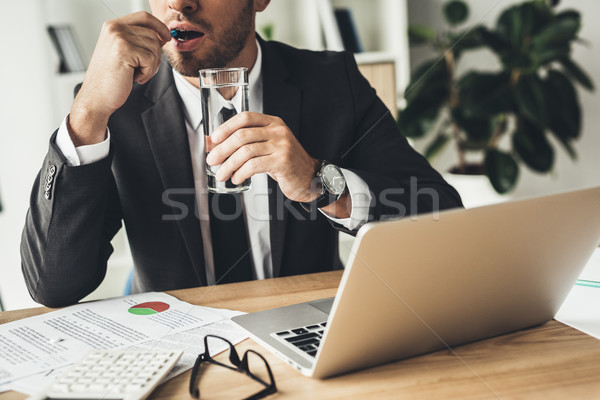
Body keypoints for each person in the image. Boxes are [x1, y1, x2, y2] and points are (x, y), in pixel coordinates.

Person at [21, 0, 462, 308]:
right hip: (181, 348)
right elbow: (51, 285)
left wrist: (319, 180)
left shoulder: (333, 81)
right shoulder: (112, 105)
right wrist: (87, 113)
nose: (179, 3)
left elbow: (441, 217)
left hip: (309, 332)